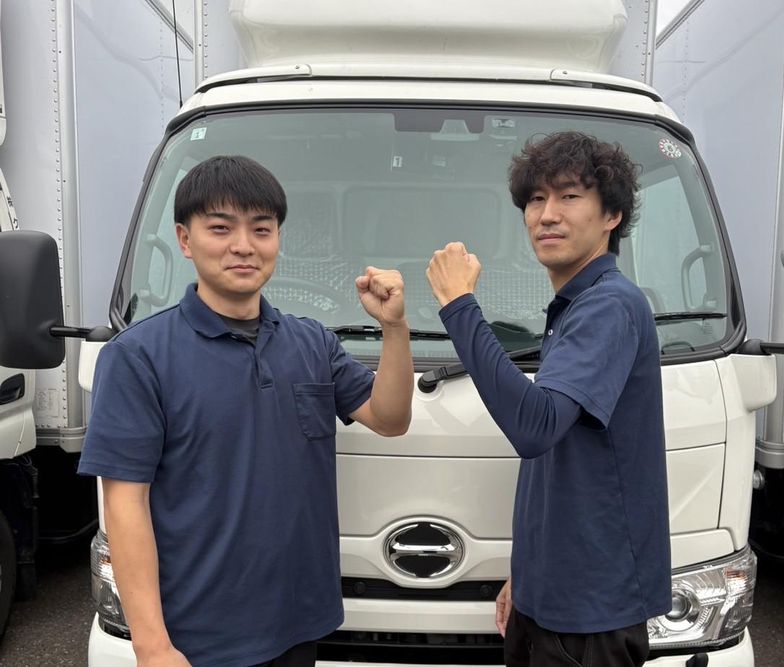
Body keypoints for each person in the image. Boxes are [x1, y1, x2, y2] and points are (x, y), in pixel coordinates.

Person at [78, 155, 413, 667]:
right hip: (197, 637)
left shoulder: (312, 343)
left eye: (261, 228)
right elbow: (125, 506)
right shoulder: (138, 357)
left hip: (299, 622)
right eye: (220, 228)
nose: (243, 245)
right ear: (184, 240)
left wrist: (394, 328)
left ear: (277, 238)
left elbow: (390, 419)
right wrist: (152, 645)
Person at [426, 131, 670, 666]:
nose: (547, 214)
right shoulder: (575, 306)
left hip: (590, 613)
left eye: (570, 196)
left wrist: (459, 304)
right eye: (536, 199)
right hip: (552, 595)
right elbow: (561, 463)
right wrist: (528, 573)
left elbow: (534, 427)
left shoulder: (609, 305)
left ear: (611, 216)